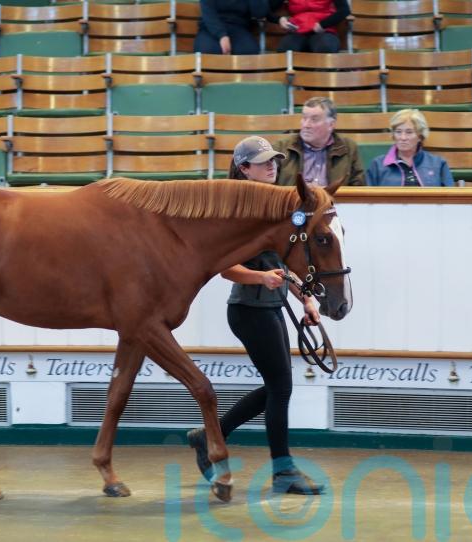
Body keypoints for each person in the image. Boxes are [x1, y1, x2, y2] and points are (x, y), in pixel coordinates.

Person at [187, 135, 325, 495]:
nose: (272, 166)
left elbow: (284, 265)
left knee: (278, 387)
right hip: (249, 310)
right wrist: (260, 278)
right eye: (263, 162)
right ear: (244, 168)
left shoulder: (274, 206)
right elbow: (225, 268)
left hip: (269, 307)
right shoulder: (237, 213)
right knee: (281, 387)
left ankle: (212, 435)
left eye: (273, 160)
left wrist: (306, 299)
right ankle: (283, 471)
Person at [274, 97, 365, 187]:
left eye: (314, 119)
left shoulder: (348, 148)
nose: (306, 125)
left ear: (331, 124)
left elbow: (359, 188)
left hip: (333, 197)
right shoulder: (281, 149)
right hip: (293, 197)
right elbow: (269, 189)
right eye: (304, 118)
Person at [366, 109, 454, 187]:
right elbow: (368, 198)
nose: (403, 137)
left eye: (409, 132)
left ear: (420, 136)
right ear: (393, 135)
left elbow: (450, 197)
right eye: (398, 132)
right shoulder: (378, 165)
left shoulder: (438, 164)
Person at [267, 0, 349, 53]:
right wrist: (279, 20)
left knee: (326, 47)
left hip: (323, 31)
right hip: (297, 31)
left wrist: (323, 24)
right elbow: (266, 9)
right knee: (286, 49)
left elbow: (344, 10)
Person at [194, 0, 269, 55]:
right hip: (211, 28)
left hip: (238, 28)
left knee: (250, 51)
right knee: (208, 51)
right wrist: (222, 35)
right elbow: (209, 13)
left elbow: (260, 13)